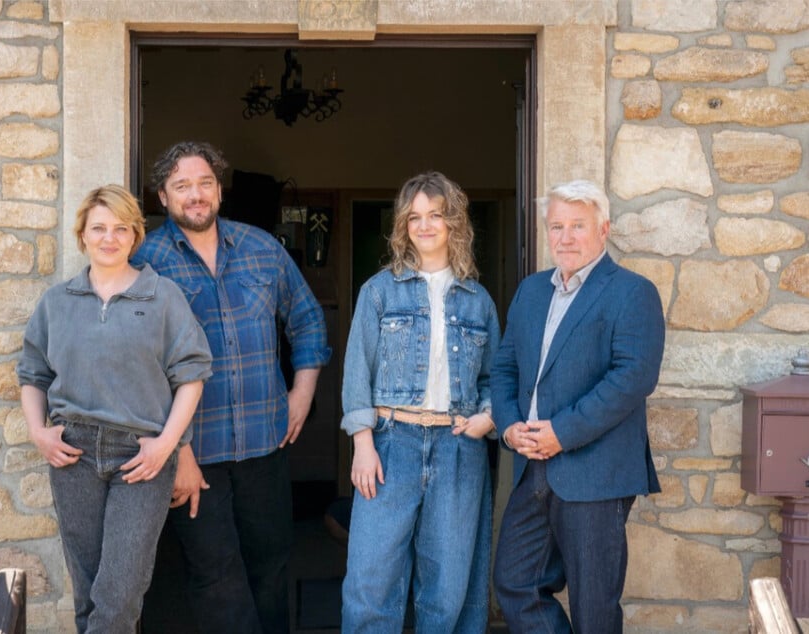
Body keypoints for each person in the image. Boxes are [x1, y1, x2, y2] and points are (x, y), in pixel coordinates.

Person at [132, 141, 330, 633]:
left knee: (271, 568)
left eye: (204, 183)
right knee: (216, 577)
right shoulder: (144, 262)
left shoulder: (263, 248)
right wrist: (177, 450)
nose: (195, 195)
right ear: (163, 196)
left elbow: (306, 320)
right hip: (196, 455)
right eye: (181, 186)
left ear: (219, 190)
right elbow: (138, 367)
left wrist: (302, 392)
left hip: (266, 444)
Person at [16, 184, 212, 633]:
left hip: (141, 456)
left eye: (121, 228)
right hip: (74, 452)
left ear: (135, 236)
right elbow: (32, 375)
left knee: (119, 593)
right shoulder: (58, 302)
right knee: (88, 593)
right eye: (99, 228)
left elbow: (192, 376)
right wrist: (37, 431)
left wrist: (168, 444)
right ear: (82, 234)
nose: (110, 238)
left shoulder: (162, 297)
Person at [491, 179, 666, 633]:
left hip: (596, 471)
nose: (565, 237)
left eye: (577, 226)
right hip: (532, 467)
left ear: (603, 230)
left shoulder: (632, 292)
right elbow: (505, 368)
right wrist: (509, 426)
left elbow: (631, 380)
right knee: (515, 583)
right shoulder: (531, 292)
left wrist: (561, 433)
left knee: (594, 609)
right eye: (556, 227)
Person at [340, 171, 499, 633]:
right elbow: (357, 373)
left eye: (435, 215)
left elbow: (493, 378)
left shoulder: (478, 301)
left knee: (448, 591)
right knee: (372, 584)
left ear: (454, 223)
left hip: (457, 448)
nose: (424, 226)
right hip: (390, 446)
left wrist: (487, 418)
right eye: (414, 217)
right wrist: (362, 444)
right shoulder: (378, 291)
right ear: (403, 226)